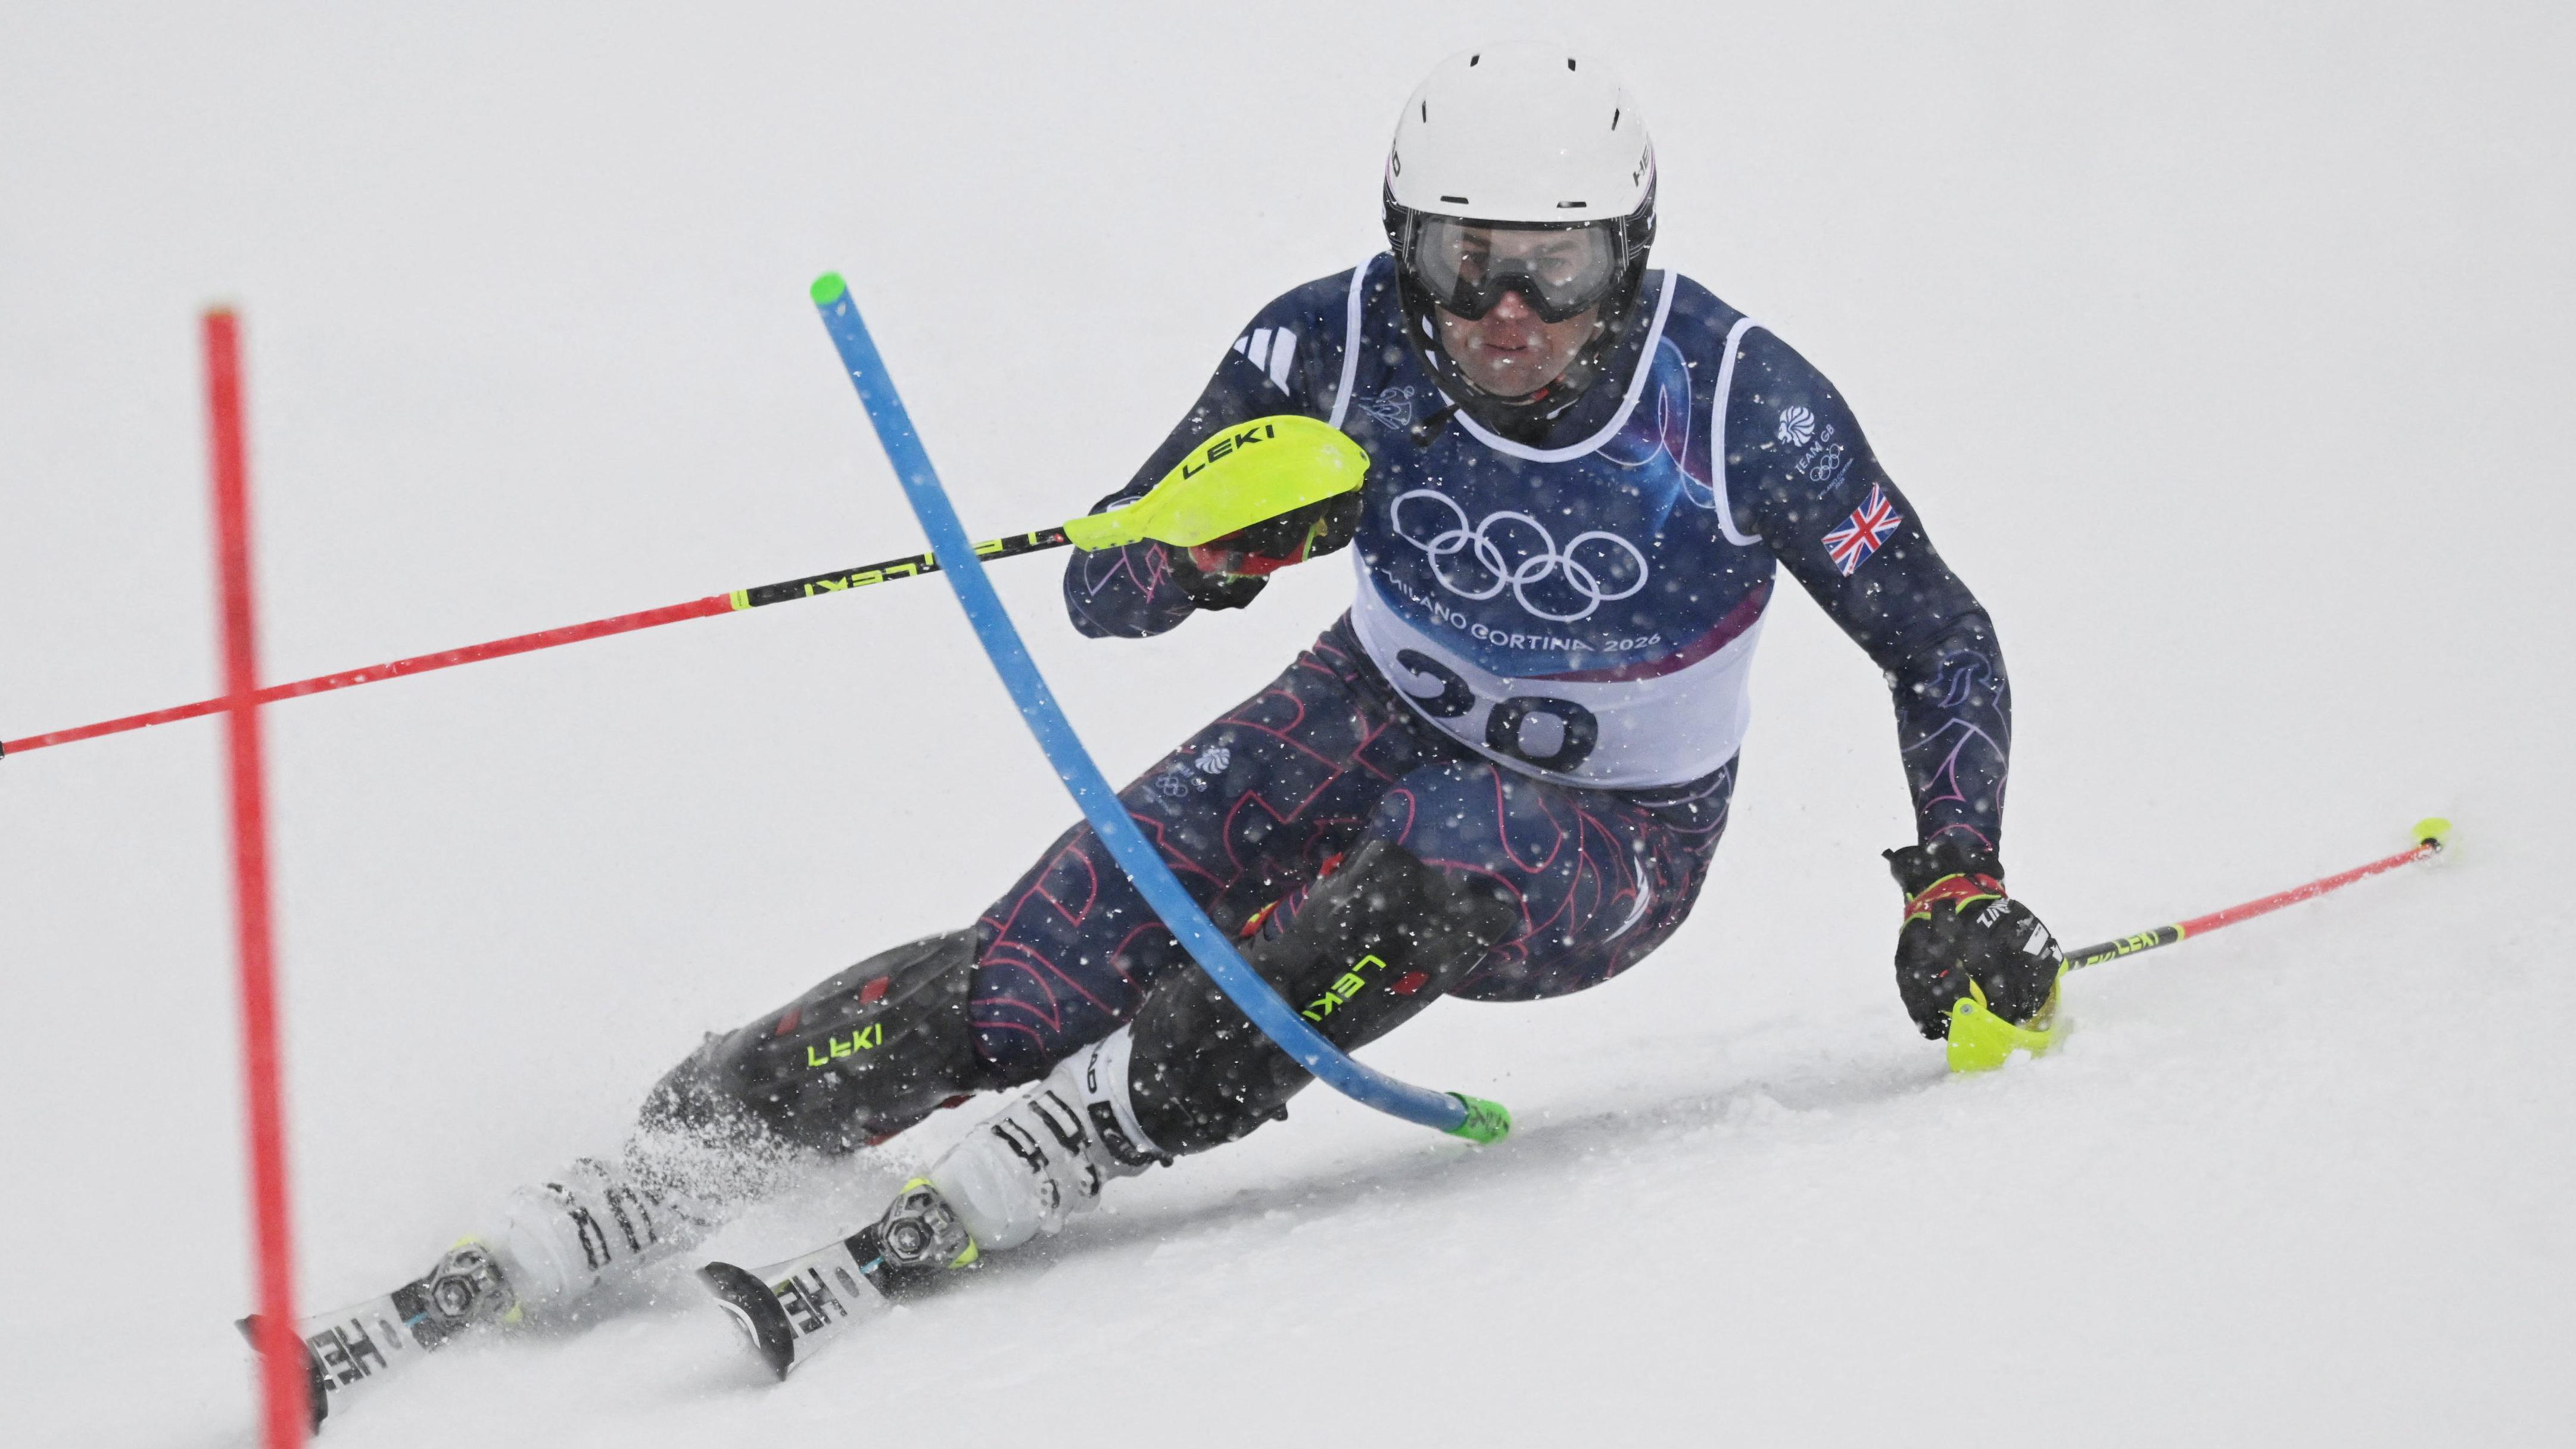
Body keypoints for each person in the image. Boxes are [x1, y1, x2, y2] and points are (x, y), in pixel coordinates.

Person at [279, 42, 2064, 1417]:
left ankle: (1096, 1125)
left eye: (1560, 269)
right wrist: (1217, 545)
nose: (1506, 316)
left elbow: (1941, 636)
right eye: (1464, 262)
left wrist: (1957, 881)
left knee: (1434, 862)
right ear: (1405, 241)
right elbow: (1101, 587)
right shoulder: (1336, 344)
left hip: (1609, 830)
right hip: (1362, 710)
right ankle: (696, 1137)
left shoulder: (1744, 401)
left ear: (1635, 253)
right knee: (1020, 978)